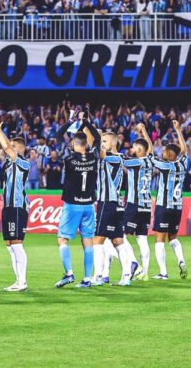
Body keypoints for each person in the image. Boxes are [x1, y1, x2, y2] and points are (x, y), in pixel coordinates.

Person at [53, 107, 103, 289]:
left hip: (72, 205)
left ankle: (69, 274)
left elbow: (58, 136)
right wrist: (84, 122)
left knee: (62, 239)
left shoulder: (69, 157)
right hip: (89, 206)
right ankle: (88, 278)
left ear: (74, 144)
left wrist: (71, 120)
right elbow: (97, 138)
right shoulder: (94, 156)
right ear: (86, 145)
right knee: (87, 241)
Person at [0, 115, 30, 291]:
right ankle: (18, 280)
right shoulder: (7, 163)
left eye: (13, 146)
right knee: (10, 245)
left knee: (16, 243)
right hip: (8, 206)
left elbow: (5, 146)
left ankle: (22, 281)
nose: (8, 148)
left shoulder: (22, 162)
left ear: (19, 149)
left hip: (17, 206)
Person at [91, 132, 136, 286]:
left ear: (113, 143)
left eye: (105, 141)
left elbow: (99, 151)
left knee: (97, 240)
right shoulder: (122, 158)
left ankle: (97, 277)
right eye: (102, 141)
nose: (102, 144)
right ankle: (126, 277)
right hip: (118, 205)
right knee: (118, 241)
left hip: (107, 203)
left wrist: (94, 134)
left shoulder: (111, 158)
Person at [151, 120, 189, 280]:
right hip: (177, 207)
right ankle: (181, 260)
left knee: (159, 240)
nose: (163, 152)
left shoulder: (164, 166)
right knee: (173, 238)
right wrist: (178, 130)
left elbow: (148, 155)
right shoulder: (182, 164)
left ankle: (163, 273)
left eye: (165, 151)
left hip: (164, 206)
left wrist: (144, 135)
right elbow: (184, 150)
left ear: (170, 154)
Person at [122, 123, 155, 281]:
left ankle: (134, 263)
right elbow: (150, 148)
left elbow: (119, 161)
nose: (131, 150)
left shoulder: (135, 162)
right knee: (142, 238)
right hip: (147, 206)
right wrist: (144, 132)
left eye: (134, 147)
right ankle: (145, 273)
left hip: (133, 204)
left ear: (139, 150)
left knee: (121, 235)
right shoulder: (150, 161)